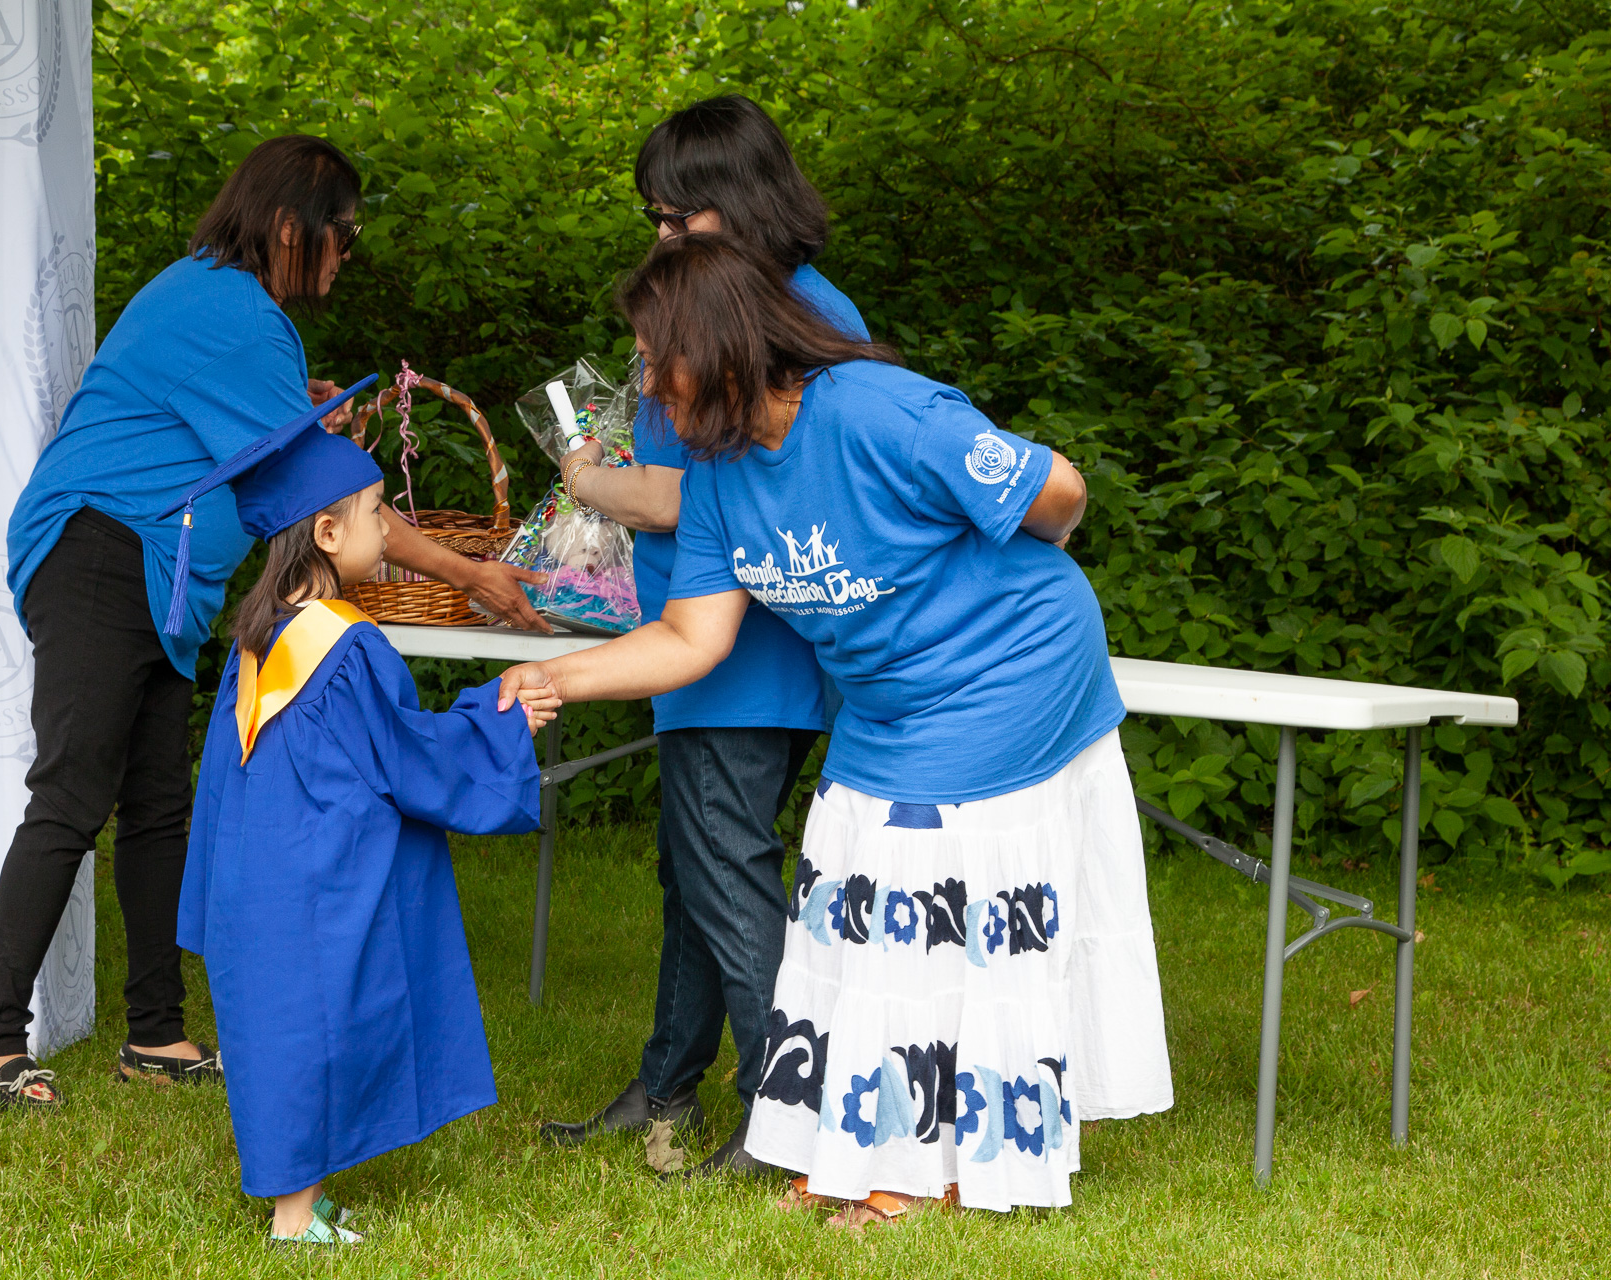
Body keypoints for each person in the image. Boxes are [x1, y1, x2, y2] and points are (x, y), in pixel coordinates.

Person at [502, 234, 1173, 1225]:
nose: (642, 384)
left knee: (923, 898)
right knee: (842, 897)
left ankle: (923, 1171)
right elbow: (690, 636)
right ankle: (851, 1141)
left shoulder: (879, 411)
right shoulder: (721, 475)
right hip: (889, 699)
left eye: (653, 359)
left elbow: (1058, 489)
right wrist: (554, 676)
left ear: (716, 348)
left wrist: (1022, 551)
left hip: (1012, 671)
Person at [0, 135, 548, 1109]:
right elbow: (324, 495)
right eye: (344, 231)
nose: (347, 252)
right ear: (289, 226)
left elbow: (252, 444)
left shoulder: (222, 301)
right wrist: (469, 572)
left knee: (157, 804)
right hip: (100, 550)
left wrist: (298, 417)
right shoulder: (235, 314)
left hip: (147, 568)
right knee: (71, 795)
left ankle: (155, 1031)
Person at [540, 94, 864, 1177]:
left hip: (744, 648)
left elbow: (717, 493)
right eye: (656, 218)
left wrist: (590, 482)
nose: (665, 238)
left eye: (685, 218)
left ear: (748, 199)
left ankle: (786, 1110)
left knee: (727, 872)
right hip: (692, 633)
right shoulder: (716, 292)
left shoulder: (797, 313)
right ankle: (666, 1085)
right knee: (694, 870)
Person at [173, 402, 551, 1246]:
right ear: (328, 534)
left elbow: (224, 782)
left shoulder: (257, 638)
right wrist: (500, 725)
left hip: (264, 875)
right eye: (378, 512)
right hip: (319, 876)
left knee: (288, 1031)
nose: (389, 529)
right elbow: (411, 759)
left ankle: (301, 1200)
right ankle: (292, 1222)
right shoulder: (346, 646)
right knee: (314, 1033)